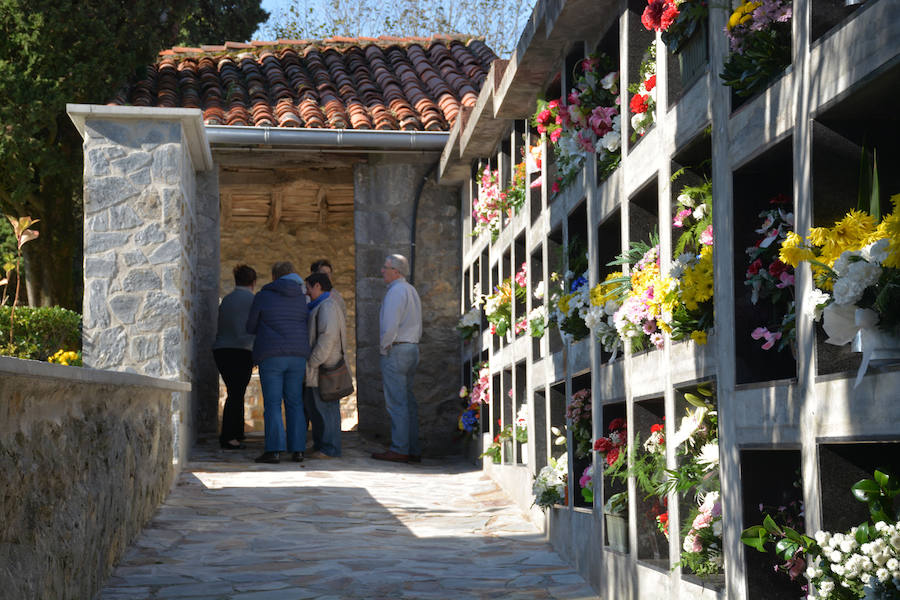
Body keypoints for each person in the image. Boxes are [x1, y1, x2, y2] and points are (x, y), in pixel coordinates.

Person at [246, 261, 310, 464]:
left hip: (271, 354)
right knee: (295, 402)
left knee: (273, 403)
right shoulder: (303, 298)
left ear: (274, 277)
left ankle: (274, 451)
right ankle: (298, 450)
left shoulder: (263, 296)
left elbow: (251, 325)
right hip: (298, 355)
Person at [372, 254, 422, 463]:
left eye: (386, 267)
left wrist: (385, 347)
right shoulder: (411, 290)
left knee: (397, 403)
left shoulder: (395, 292)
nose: (382, 271)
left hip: (397, 349)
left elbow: (390, 325)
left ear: (397, 271)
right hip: (412, 348)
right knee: (408, 401)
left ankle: (400, 448)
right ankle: (412, 448)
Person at [212, 264, 257, 450]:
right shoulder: (253, 300)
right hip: (241, 351)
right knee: (236, 393)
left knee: (235, 391)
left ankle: (237, 433)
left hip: (221, 351)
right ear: (253, 282)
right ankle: (229, 437)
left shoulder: (227, 300)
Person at [303, 272, 347, 458]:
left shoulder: (327, 307)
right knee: (318, 409)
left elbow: (327, 337)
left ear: (318, 286)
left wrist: (313, 361)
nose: (307, 292)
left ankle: (329, 448)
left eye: (309, 288)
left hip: (324, 367)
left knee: (326, 409)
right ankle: (322, 445)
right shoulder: (323, 305)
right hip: (321, 366)